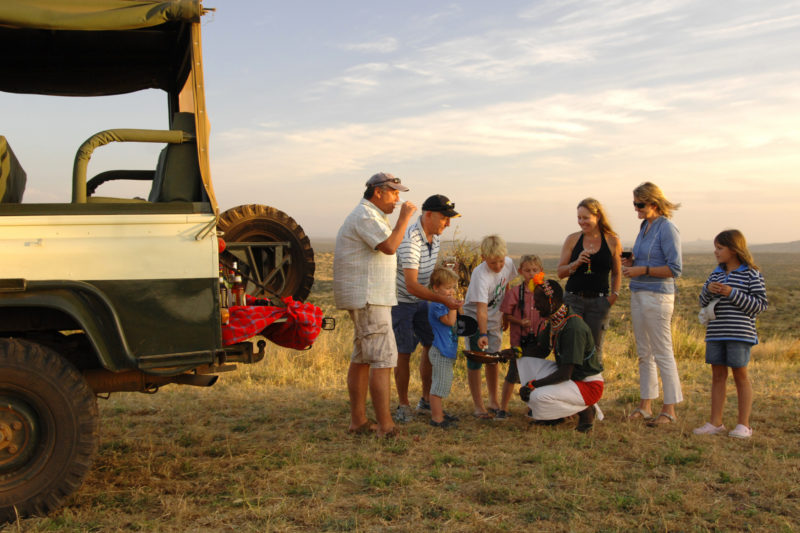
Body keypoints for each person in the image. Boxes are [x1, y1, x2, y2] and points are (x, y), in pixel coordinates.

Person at [333, 172, 416, 437]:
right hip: (370, 297)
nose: (397, 200)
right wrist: (404, 219)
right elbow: (390, 246)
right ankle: (386, 425)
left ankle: (358, 421)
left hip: (368, 297)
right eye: (394, 193)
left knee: (362, 358)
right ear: (377, 192)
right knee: (382, 358)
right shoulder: (366, 215)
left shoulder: (369, 215)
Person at [392, 195, 462, 423]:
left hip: (423, 299)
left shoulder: (435, 238)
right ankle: (403, 405)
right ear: (428, 215)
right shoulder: (411, 240)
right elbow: (412, 285)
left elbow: (426, 279)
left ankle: (425, 400)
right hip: (402, 300)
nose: (448, 224)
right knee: (404, 351)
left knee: (431, 345)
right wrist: (442, 300)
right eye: (444, 218)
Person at [693, 230, 767, 439]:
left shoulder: (752, 274)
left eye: (719, 248)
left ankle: (744, 425)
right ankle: (715, 422)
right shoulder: (716, 273)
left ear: (733, 250)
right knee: (717, 376)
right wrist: (709, 290)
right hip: (716, 333)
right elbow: (702, 301)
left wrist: (731, 293)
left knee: (740, 376)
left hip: (740, 334)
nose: (715, 252)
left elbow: (760, 306)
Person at [622, 182, 683, 425]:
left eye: (640, 204)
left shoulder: (667, 228)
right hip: (639, 293)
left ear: (654, 204)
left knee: (663, 351)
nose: (636, 208)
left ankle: (669, 408)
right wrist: (632, 263)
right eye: (634, 204)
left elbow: (674, 268)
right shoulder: (644, 226)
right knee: (644, 352)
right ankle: (645, 405)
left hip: (658, 297)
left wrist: (642, 269)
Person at [516, 279, 604, 432]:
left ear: (553, 301)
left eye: (538, 302)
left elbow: (564, 374)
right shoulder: (556, 320)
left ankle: (586, 411)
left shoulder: (573, 327)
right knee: (525, 361)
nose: (535, 306)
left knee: (537, 396)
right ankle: (554, 416)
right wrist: (515, 352)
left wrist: (532, 385)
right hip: (574, 380)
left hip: (589, 386)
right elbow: (541, 351)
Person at [556, 198, 622, 364]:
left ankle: (592, 386)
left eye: (585, 218)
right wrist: (576, 263)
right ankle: (569, 385)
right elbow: (560, 272)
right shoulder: (572, 239)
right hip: (573, 300)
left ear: (597, 216)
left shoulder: (612, 240)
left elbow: (617, 272)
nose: (581, 222)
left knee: (594, 349)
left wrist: (614, 295)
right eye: (579, 218)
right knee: (571, 346)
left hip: (599, 302)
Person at [462, 235, 516, 418]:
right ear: (483, 257)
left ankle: (494, 401)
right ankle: (479, 406)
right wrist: (482, 334)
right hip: (475, 319)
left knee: (493, 358)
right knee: (476, 358)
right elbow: (481, 310)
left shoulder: (508, 263)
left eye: (501, 261)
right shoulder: (480, 275)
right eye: (493, 263)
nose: (499, 266)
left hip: (495, 317)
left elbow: (506, 284)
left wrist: (506, 314)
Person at [496, 255, 547, 420]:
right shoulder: (515, 292)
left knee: (535, 376)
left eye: (535, 270)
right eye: (527, 270)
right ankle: (502, 408)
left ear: (541, 271)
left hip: (539, 342)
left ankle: (533, 408)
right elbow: (506, 315)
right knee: (513, 374)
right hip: (519, 341)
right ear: (520, 272)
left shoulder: (545, 292)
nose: (531, 274)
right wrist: (519, 321)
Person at [426, 267, 462, 429]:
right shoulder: (437, 305)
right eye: (447, 288)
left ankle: (439, 412)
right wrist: (453, 307)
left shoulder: (445, 303)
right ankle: (436, 417)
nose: (451, 291)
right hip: (440, 350)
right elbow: (449, 321)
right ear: (436, 288)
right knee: (438, 385)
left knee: (444, 383)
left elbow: (459, 315)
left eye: (453, 287)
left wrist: (456, 305)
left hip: (447, 350)